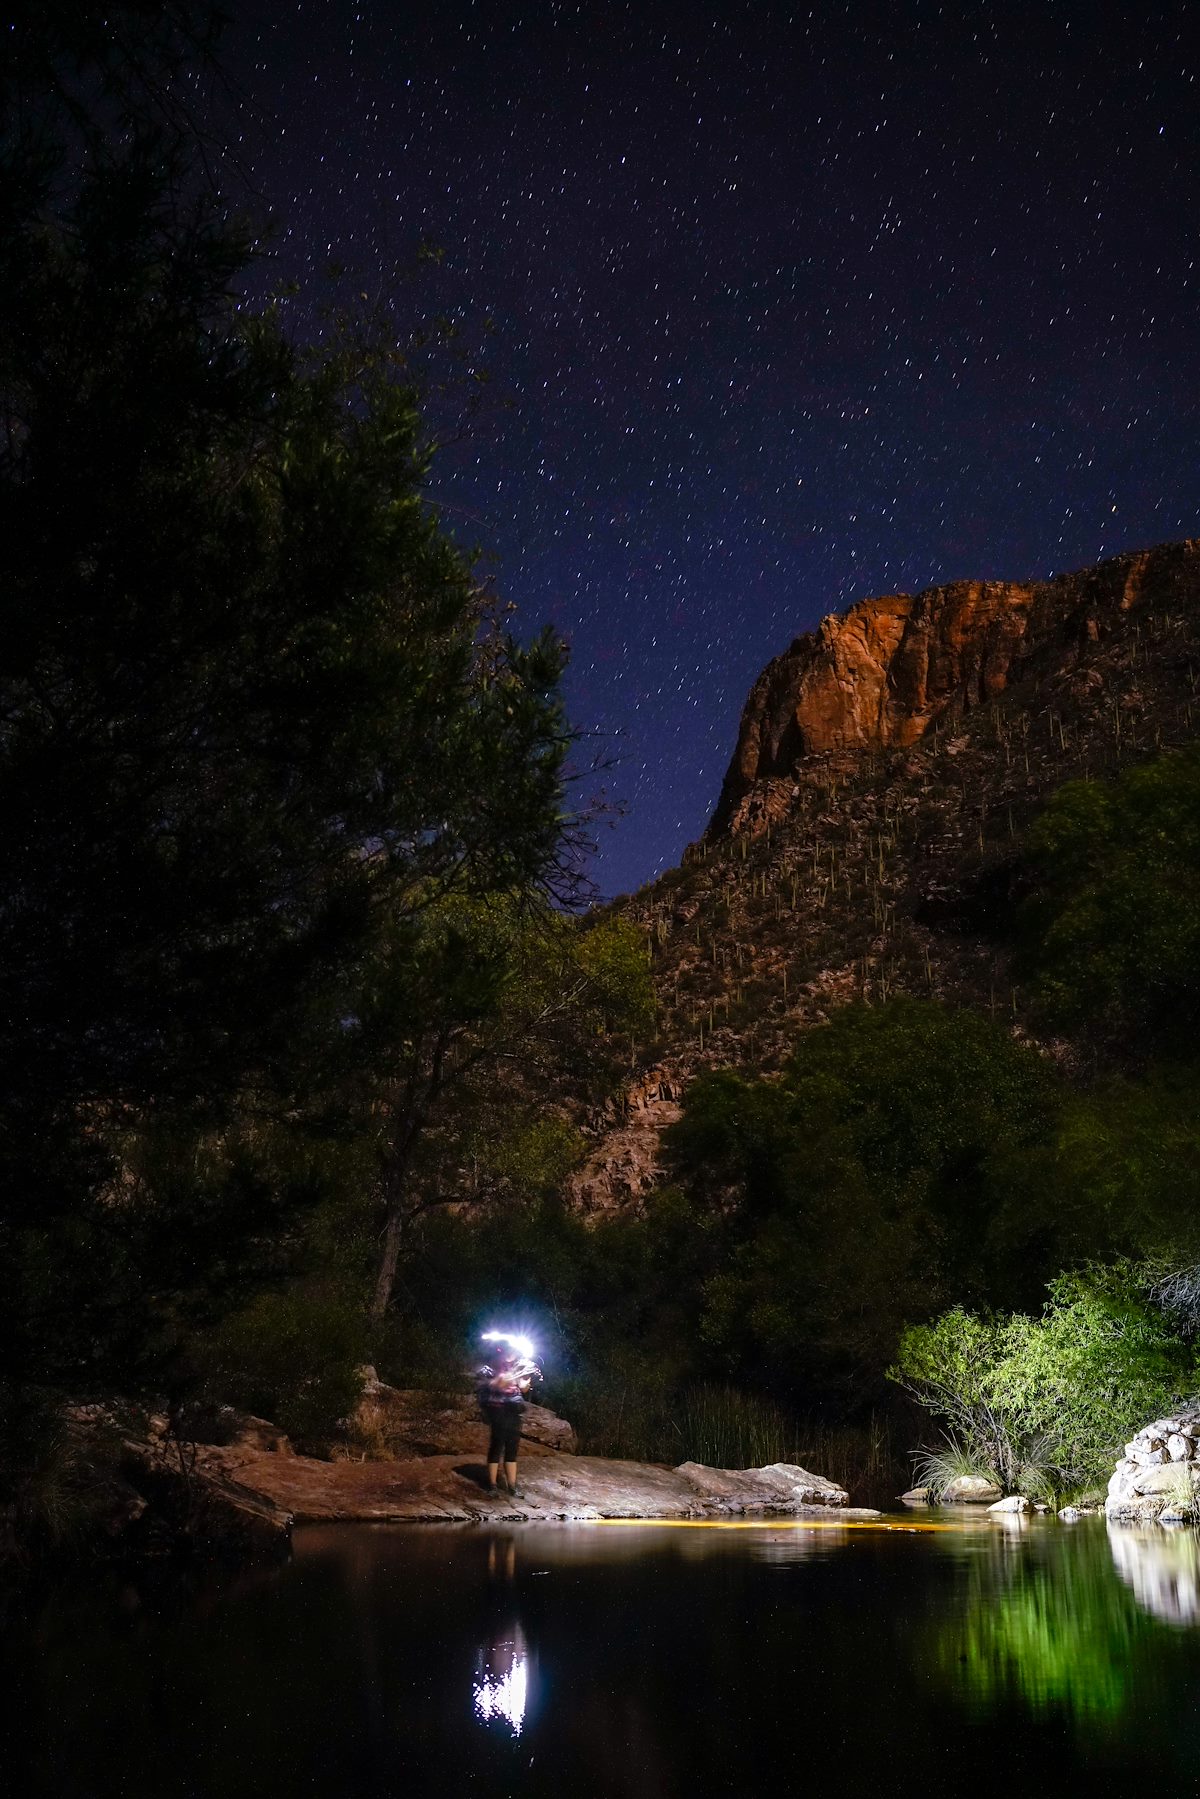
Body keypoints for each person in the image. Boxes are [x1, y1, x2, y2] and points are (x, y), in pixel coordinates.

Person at [477, 1338, 540, 1497]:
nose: (513, 1352)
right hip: (497, 1408)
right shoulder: (494, 1364)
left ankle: (512, 1487)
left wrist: (528, 1378)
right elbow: (498, 1384)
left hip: (513, 1409)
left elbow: (523, 1388)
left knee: (512, 1447)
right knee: (497, 1444)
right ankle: (492, 1486)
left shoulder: (520, 1364)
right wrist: (515, 1373)